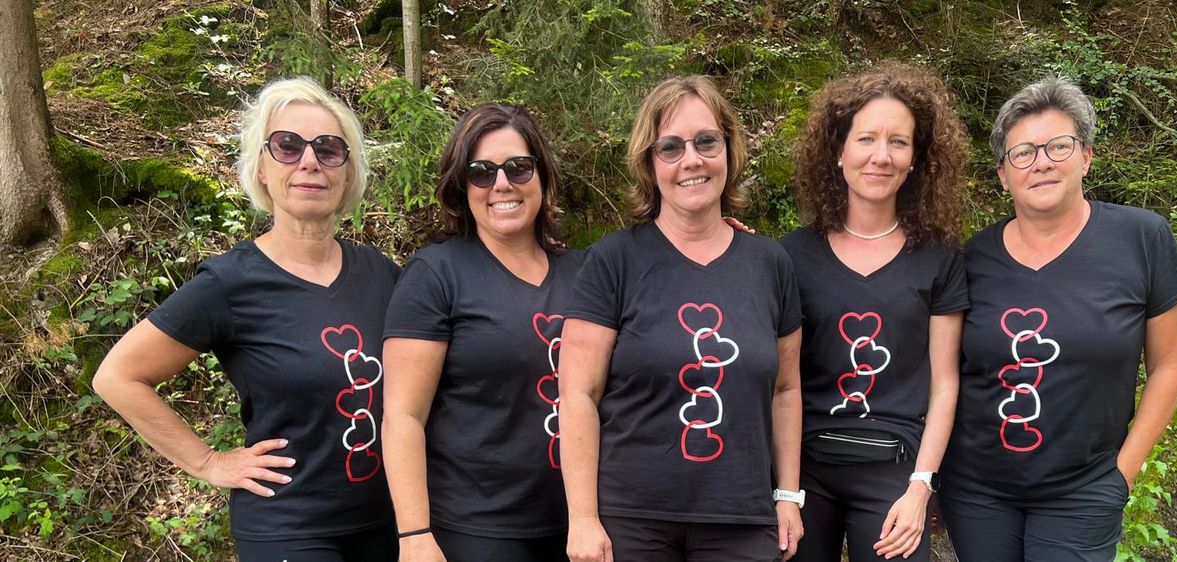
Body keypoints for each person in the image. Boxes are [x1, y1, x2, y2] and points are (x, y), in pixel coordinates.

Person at [92, 77, 400, 561]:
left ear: (347, 171)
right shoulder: (230, 283)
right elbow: (118, 376)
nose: (309, 161)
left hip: (391, 521)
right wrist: (207, 461)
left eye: (329, 148)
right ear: (260, 166)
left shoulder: (381, 273)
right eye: (287, 145)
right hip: (289, 528)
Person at [938, 77, 1177, 561]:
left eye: (1059, 145)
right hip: (976, 491)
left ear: (1086, 156)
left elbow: (1170, 366)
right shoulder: (970, 259)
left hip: (1084, 488)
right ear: (1002, 174)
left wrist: (1124, 471)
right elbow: (943, 370)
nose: (1042, 163)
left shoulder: (1142, 239)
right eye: (1023, 153)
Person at [559, 75, 804, 562]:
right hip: (631, 520)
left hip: (741, 519)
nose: (691, 160)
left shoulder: (770, 263)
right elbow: (578, 395)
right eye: (669, 147)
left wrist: (788, 495)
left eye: (706, 141)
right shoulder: (613, 261)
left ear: (728, 150)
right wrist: (583, 519)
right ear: (650, 165)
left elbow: (786, 389)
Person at [781, 62, 969, 562]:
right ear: (837, 152)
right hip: (804, 469)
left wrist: (920, 489)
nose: (880, 157)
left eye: (898, 142)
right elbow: (779, 382)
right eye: (866, 139)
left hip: (895, 468)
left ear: (915, 160)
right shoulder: (789, 257)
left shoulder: (940, 256)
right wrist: (782, 492)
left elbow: (945, 383)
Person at [381, 104, 581, 562]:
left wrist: (710, 232)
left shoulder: (585, 273)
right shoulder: (436, 275)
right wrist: (413, 535)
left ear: (542, 175)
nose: (502, 183)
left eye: (518, 167)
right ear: (461, 186)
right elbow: (402, 416)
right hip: (478, 530)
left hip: (582, 522)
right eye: (481, 172)